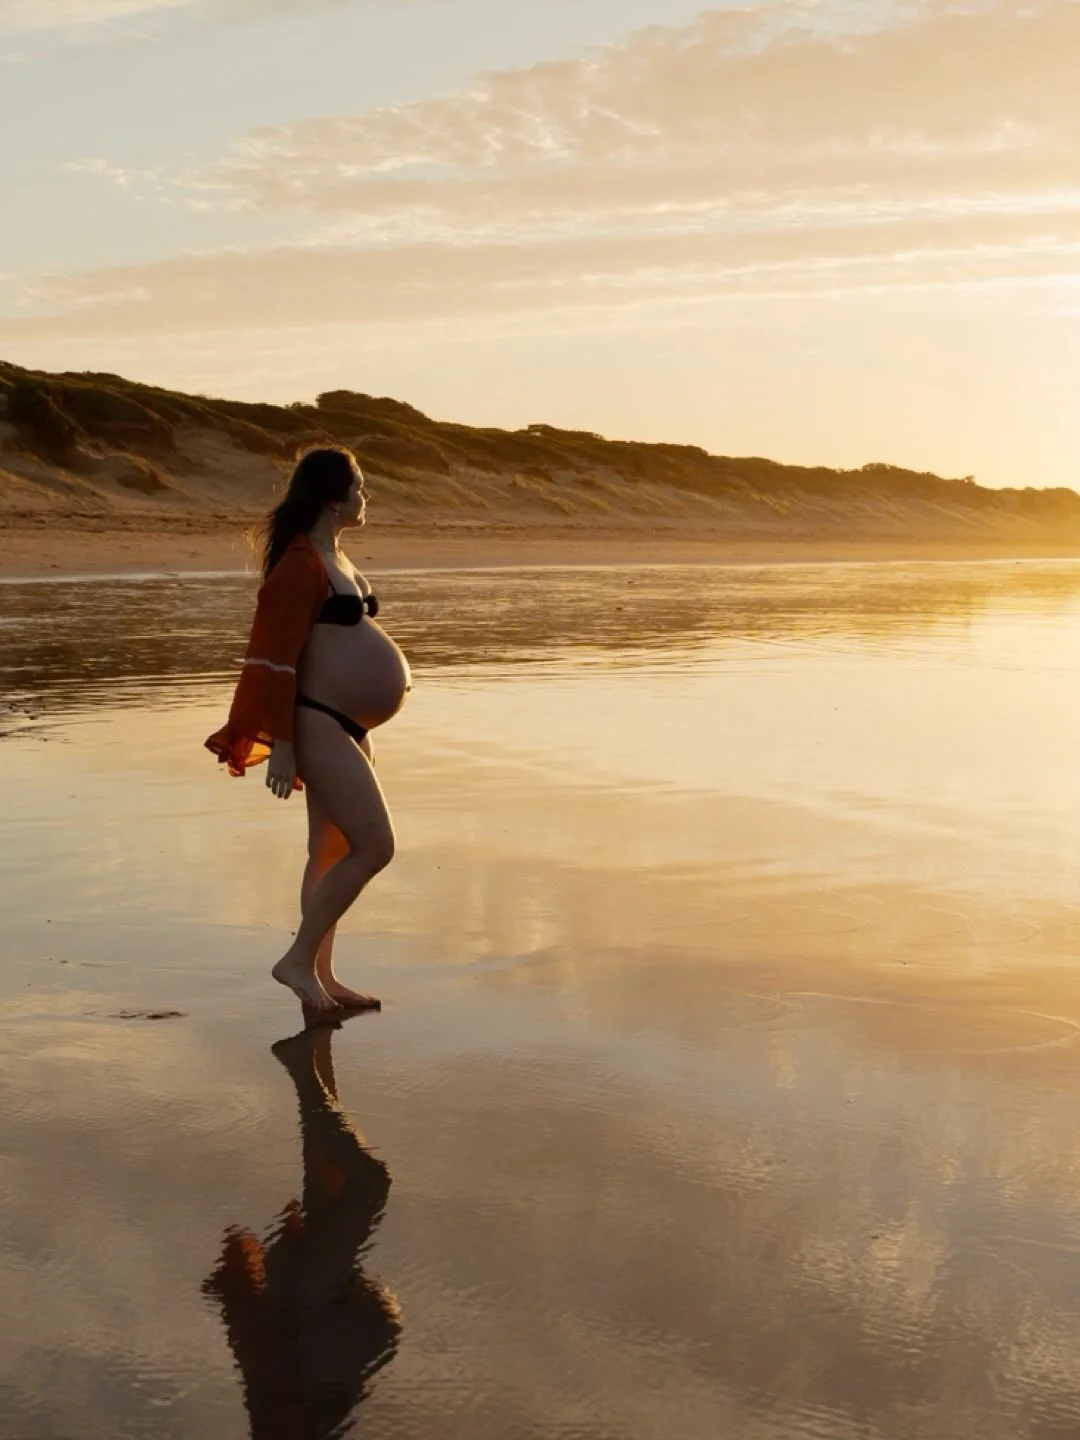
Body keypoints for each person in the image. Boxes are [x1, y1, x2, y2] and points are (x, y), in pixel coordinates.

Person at [206, 447, 411, 1014]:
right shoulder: (299, 563)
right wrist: (283, 748)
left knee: (329, 849)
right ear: (331, 498)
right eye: (360, 487)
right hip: (316, 722)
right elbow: (274, 657)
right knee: (376, 847)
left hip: (347, 725)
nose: (365, 497)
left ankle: (321, 976)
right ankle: (296, 959)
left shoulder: (335, 556)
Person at [203, 1020, 401, 1438]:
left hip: (314, 1300)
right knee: (336, 1172)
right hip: (322, 1302)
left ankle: (302, 1069)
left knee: (367, 1183)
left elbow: (250, 1336)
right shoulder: (297, 1410)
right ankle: (308, 1061)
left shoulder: (278, 1405)